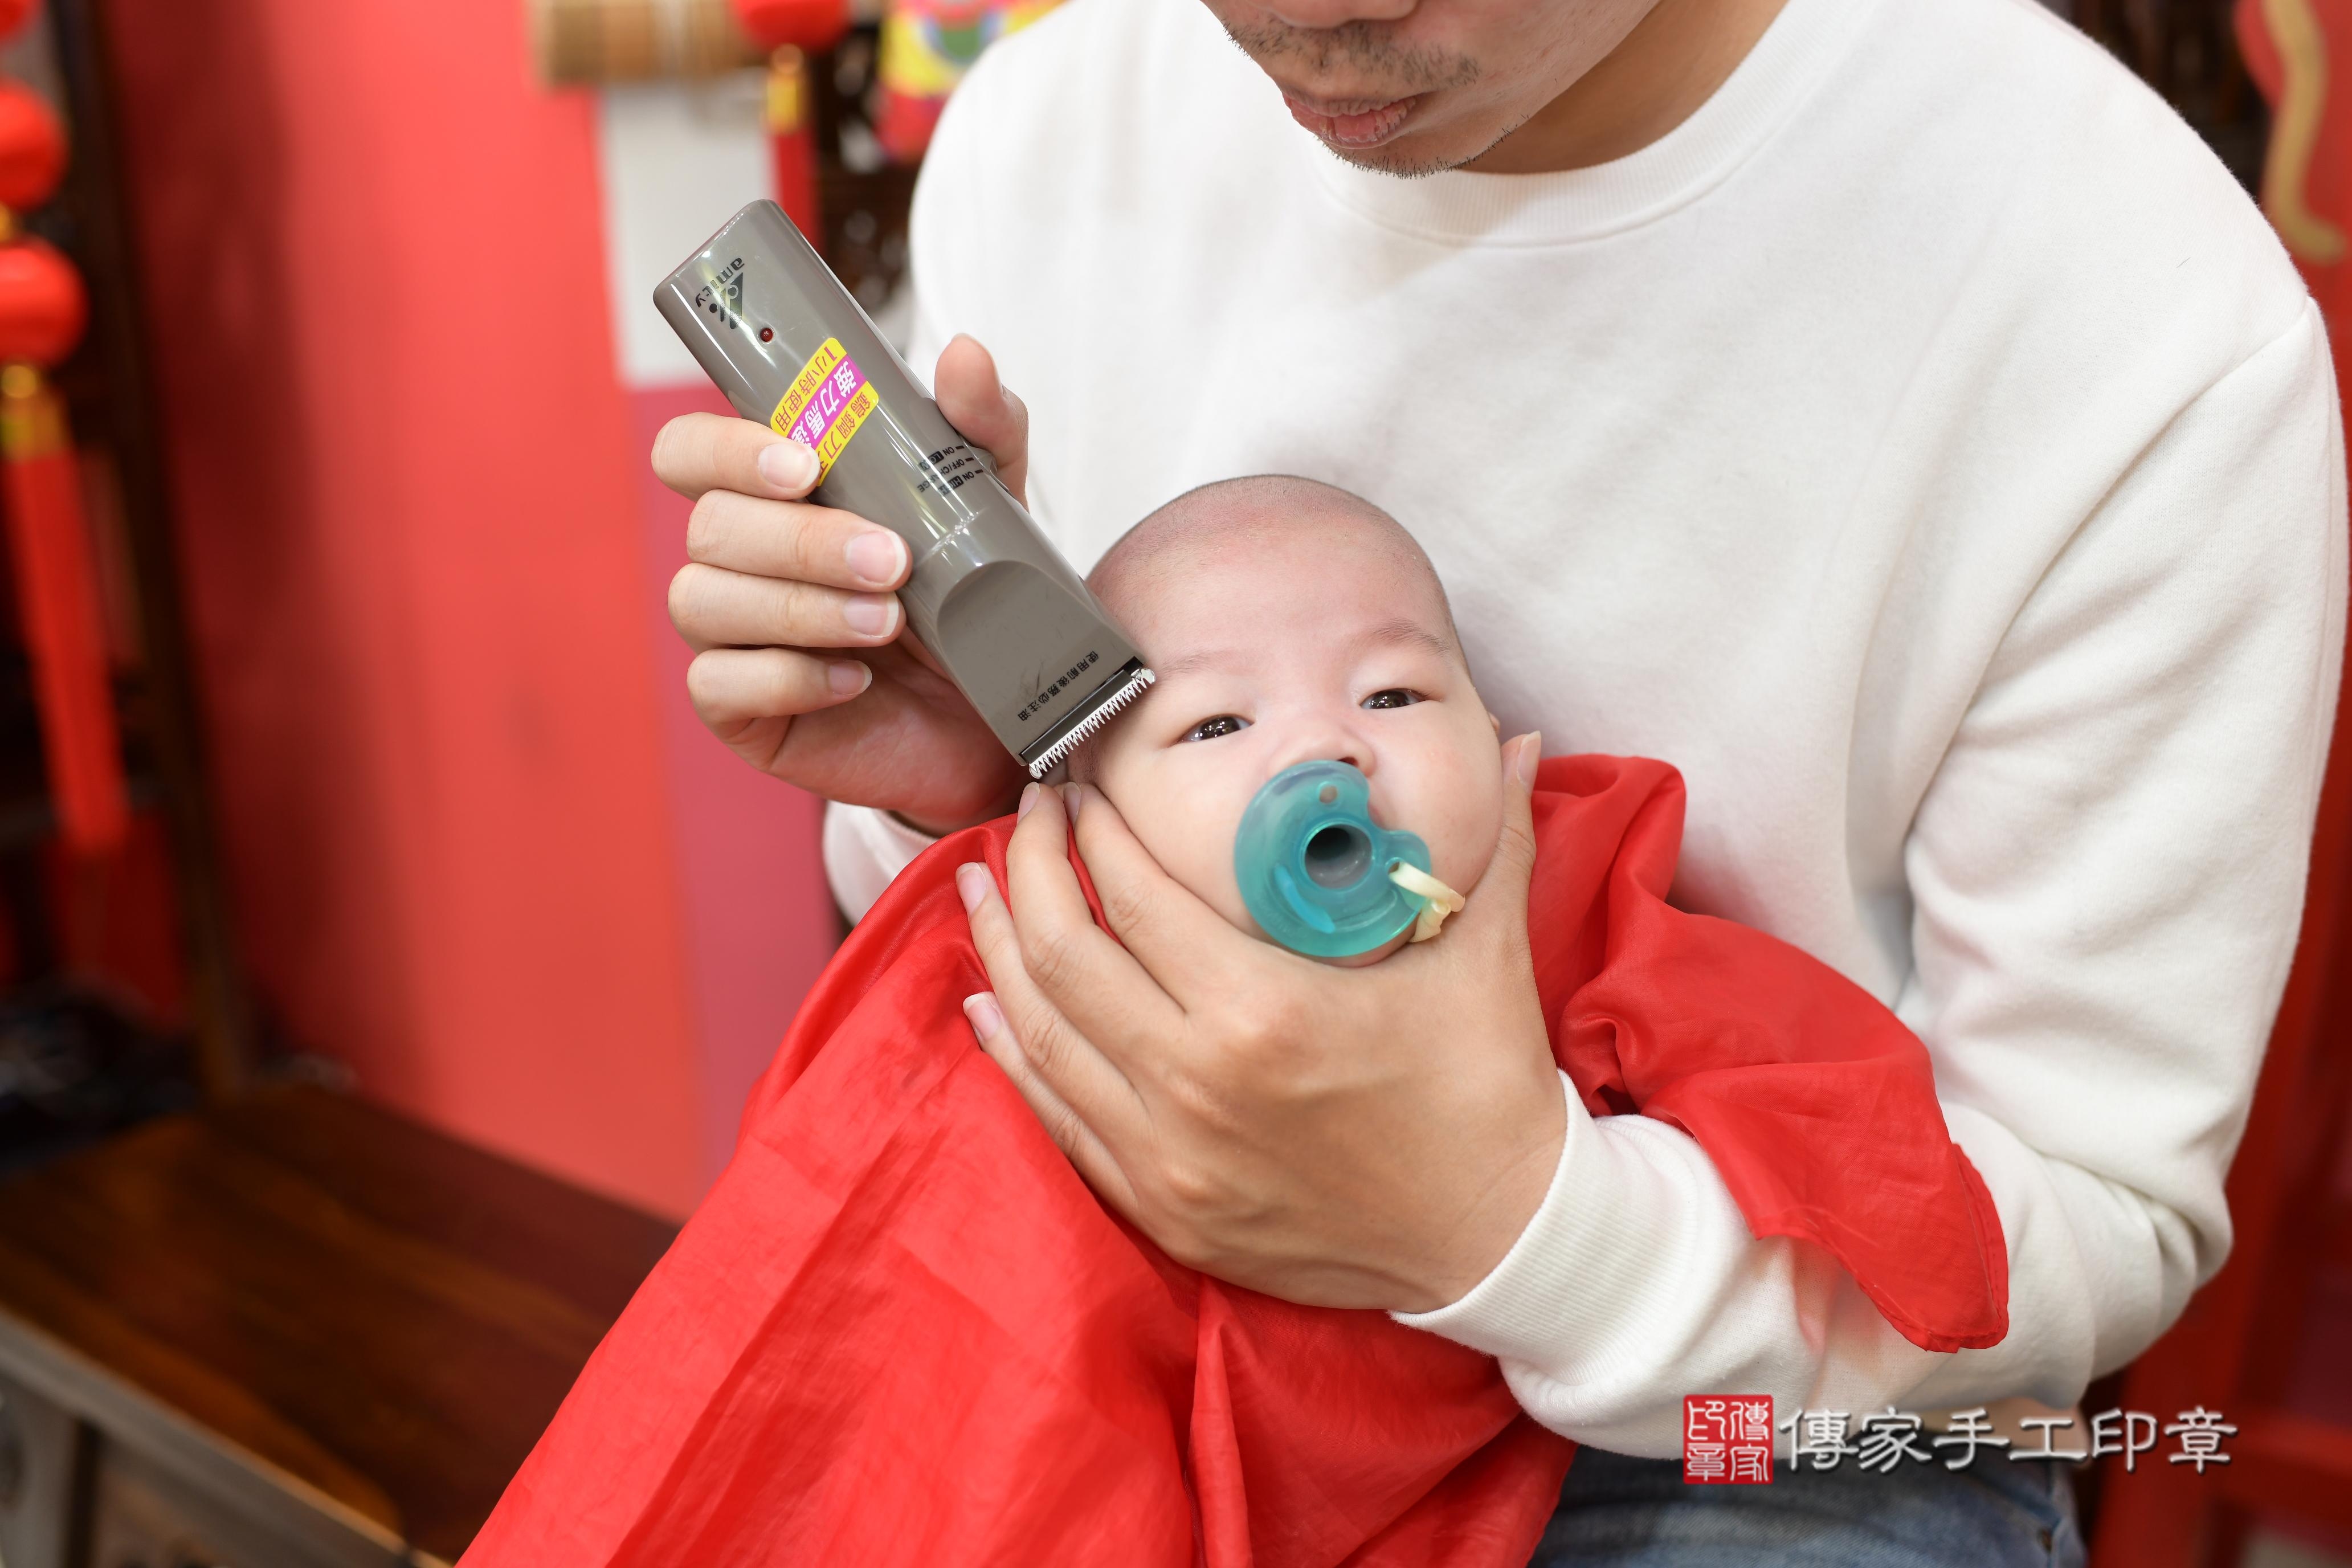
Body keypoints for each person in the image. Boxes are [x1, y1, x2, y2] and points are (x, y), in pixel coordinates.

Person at [653, 0, 2346, 1559]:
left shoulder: (2135, 322)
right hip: (1121, 1275)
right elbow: (958, 955)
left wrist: (1503, 1227)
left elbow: (2084, 1220)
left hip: (1746, 1401)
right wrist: (974, 793)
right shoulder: (1057, 127)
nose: (1307, 19)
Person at [468, 479, 2005, 1567]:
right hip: (1053, 1400)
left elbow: (1800, 1075)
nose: (1327, 745)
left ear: (1507, 744)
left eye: (1401, 696)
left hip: (1447, 1423)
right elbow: (842, 1175)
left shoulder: (1570, 888)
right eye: (1214, 725)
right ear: (1086, 808)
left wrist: (1892, 1224)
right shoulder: (1044, 907)